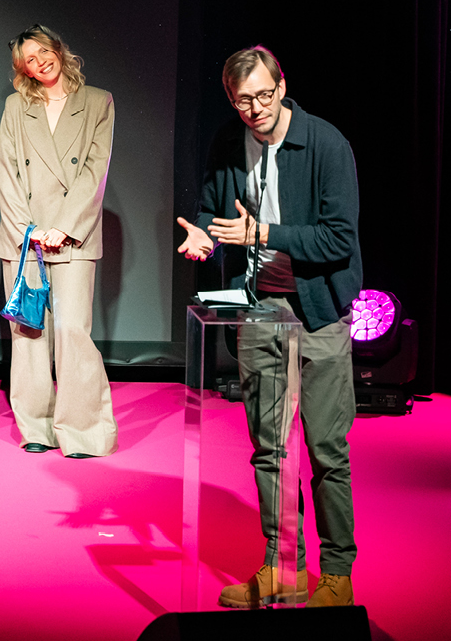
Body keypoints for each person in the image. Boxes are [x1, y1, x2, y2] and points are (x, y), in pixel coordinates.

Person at [177, 45, 360, 609]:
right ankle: (284, 568)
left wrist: (264, 234)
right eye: (242, 102)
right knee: (269, 449)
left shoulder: (326, 144)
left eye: (262, 95)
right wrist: (204, 236)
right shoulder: (229, 142)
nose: (254, 109)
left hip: (319, 312)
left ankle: (337, 573)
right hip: (259, 309)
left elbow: (338, 239)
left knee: (326, 449)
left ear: (282, 86)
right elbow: (213, 211)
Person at [0, 24, 116, 458]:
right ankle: (36, 427)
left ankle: (84, 431)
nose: (40, 62)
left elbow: (95, 171)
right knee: (28, 334)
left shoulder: (98, 102)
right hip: (25, 237)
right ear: (22, 69)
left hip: (73, 236)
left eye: (43, 52)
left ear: (59, 50)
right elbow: (8, 172)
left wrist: (62, 227)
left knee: (72, 332)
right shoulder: (16, 107)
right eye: (29, 59)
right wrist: (28, 230)